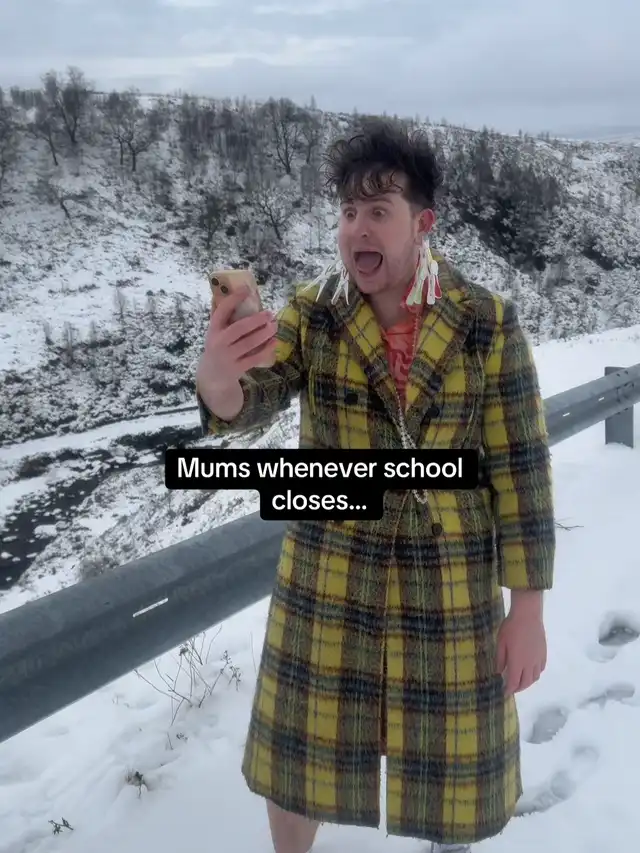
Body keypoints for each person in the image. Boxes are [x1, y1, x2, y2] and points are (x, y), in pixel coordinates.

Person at [195, 120, 556, 853]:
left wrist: (528, 609)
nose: (357, 227)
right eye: (348, 211)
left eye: (378, 211)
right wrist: (218, 379)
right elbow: (252, 401)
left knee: (450, 770)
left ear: (421, 224)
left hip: (448, 582)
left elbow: (520, 469)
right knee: (300, 760)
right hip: (330, 576)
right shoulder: (313, 312)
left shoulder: (486, 322)